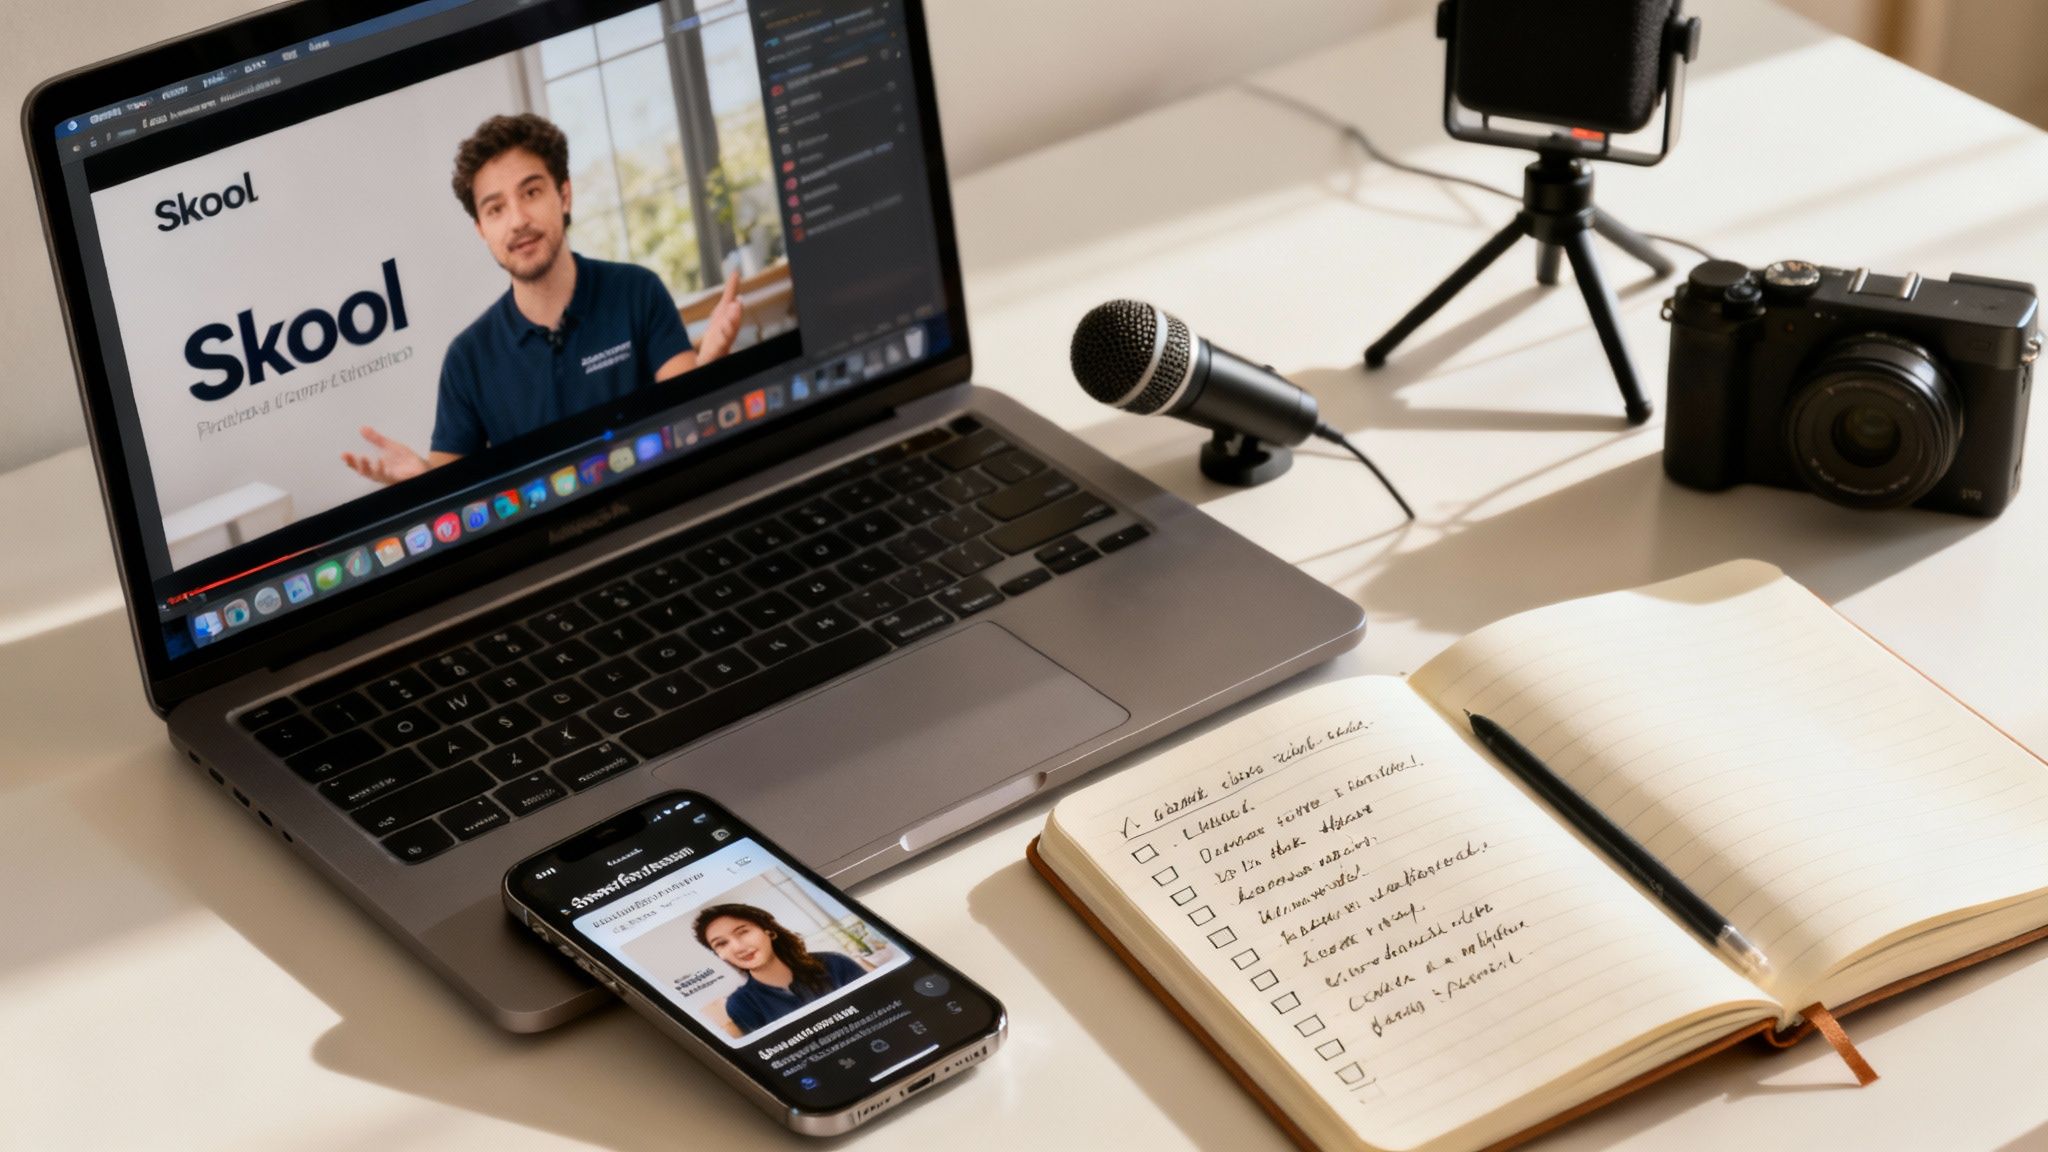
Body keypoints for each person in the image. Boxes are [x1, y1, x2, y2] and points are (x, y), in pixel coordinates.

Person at [343, 113, 745, 483]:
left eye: (531, 192)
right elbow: (450, 492)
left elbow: (687, 427)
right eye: (496, 209)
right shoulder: (466, 360)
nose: (518, 220)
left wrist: (709, 367)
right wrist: (423, 481)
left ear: (564, 195)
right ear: (481, 229)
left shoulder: (639, 291)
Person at [693, 903, 871, 1035]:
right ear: (720, 955)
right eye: (721, 944)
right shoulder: (741, 1004)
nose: (738, 947)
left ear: (768, 931)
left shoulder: (834, 963)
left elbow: (876, 1006)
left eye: (743, 932)